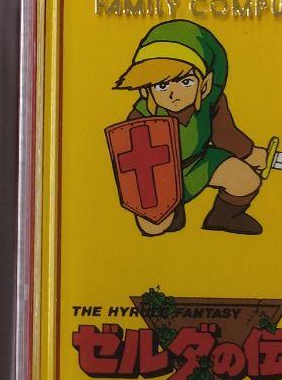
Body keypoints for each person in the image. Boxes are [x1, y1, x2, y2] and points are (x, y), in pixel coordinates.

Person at [114, 20, 267, 235]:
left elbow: (225, 135)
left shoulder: (211, 102)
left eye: (185, 82)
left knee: (246, 180)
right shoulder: (142, 116)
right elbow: (130, 157)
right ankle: (173, 213)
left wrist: (249, 153)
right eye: (162, 85)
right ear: (146, 90)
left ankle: (224, 217)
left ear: (205, 84)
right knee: (153, 226)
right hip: (161, 176)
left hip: (200, 162)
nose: (173, 93)